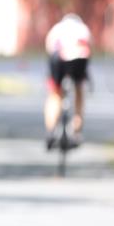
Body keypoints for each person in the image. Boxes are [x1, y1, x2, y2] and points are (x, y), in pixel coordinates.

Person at [44, 13, 91, 149]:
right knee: (79, 91)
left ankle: (51, 131)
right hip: (80, 58)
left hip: (58, 57)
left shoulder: (56, 28)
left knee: (55, 93)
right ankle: (76, 131)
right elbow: (89, 50)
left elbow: (49, 49)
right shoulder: (83, 28)